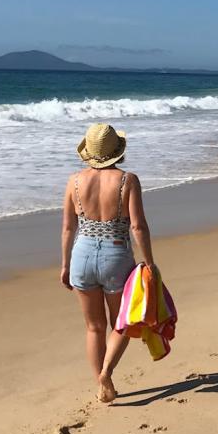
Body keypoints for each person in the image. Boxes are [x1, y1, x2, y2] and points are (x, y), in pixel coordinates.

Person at [60, 123, 155, 402]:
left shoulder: (74, 181)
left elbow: (68, 227)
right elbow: (138, 227)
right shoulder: (128, 180)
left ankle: (102, 385)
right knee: (121, 324)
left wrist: (65, 264)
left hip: (81, 256)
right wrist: (150, 263)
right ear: (117, 151)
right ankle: (106, 372)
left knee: (93, 327)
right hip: (115, 256)